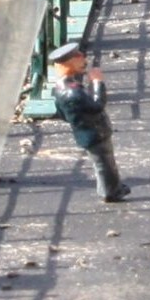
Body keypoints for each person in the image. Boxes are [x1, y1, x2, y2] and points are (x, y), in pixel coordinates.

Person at [49, 39, 131, 202]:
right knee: (104, 164)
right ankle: (109, 191)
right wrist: (97, 82)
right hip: (94, 133)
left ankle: (113, 187)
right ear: (68, 63)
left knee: (105, 163)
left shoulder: (60, 89)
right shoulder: (73, 92)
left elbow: (62, 114)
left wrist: (76, 120)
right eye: (79, 59)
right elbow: (97, 105)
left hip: (87, 132)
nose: (84, 61)